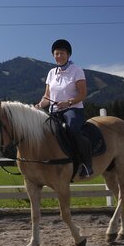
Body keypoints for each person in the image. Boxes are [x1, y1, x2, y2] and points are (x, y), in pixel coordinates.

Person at [35, 38, 93, 177]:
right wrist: (38, 105)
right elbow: (47, 96)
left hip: (72, 110)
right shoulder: (51, 73)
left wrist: (68, 103)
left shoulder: (76, 70)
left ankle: (86, 164)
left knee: (72, 129)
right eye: (56, 54)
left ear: (68, 55)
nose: (59, 56)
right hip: (54, 111)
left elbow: (83, 94)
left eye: (62, 53)